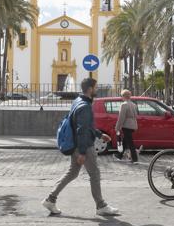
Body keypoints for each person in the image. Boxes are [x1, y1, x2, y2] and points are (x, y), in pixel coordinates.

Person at [42, 78, 119, 216]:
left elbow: (86, 126)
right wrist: (83, 152)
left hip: (76, 144)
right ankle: (101, 206)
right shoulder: (84, 106)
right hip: (83, 146)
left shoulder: (78, 101)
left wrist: (100, 135)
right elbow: (82, 130)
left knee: (72, 173)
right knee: (94, 174)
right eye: (95, 88)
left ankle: (50, 199)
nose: (97, 90)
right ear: (90, 89)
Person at [113, 89, 139, 163]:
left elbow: (121, 118)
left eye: (121, 96)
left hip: (127, 126)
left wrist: (117, 127)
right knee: (125, 141)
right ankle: (120, 155)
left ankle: (135, 159)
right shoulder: (134, 105)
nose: (121, 97)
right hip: (133, 125)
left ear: (124, 96)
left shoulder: (124, 105)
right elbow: (136, 115)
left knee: (130, 143)